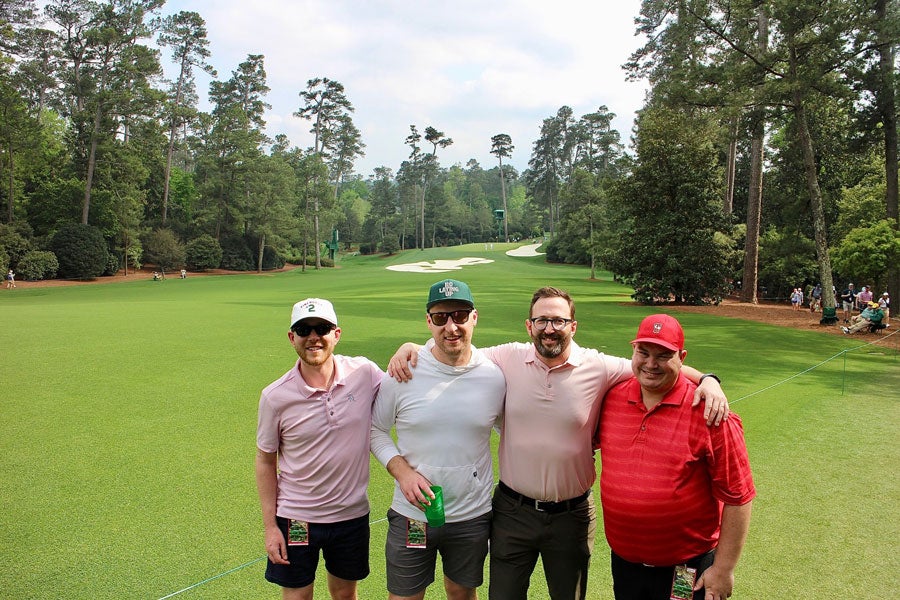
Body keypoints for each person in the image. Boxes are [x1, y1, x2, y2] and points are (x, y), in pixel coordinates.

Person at [389, 286, 729, 600]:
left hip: (572, 514)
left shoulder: (599, 366)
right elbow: (455, 348)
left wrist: (709, 380)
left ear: (573, 326)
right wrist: (412, 347)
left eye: (558, 320)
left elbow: (651, 364)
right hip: (512, 512)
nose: (549, 328)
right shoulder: (505, 358)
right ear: (529, 325)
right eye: (541, 320)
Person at [599, 314, 755, 600]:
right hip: (625, 564)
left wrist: (723, 569)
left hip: (685, 569)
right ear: (632, 351)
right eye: (643, 352)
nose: (650, 363)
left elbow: (738, 496)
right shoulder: (612, 398)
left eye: (663, 355)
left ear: (682, 358)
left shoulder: (712, 413)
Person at [371, 279, 506, 600]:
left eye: (460, 316)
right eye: (441, 317)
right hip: (412, 516)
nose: (451, 327)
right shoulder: (403, 372)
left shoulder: (494, 377)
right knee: (405, 596)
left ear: (474, 318)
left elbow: (512, 431)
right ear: (428, 321)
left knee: (461, 593)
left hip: (471, 517)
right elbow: (375, 430)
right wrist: (402, 472)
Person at [256, 298, 384, 600]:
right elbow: (264, 461)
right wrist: (270, 527)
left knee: (345, 595)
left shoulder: (363, 373)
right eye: (304, 329)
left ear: (336, 334)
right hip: (297, 517)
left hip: (350, 515)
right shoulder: (275, 397)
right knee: (298, 597)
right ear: (292, 338)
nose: (314, 337)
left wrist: (409, 347)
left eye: (322, 328)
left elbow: (404, 383)